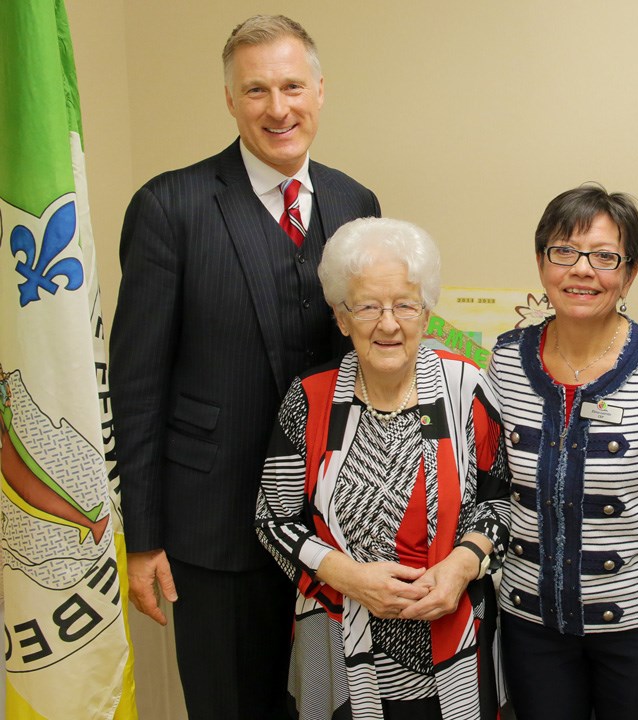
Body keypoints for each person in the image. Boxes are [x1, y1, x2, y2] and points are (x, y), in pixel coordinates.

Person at [109, 15, 380, 718]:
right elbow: (136, 387)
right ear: (230, 101)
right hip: (213, 531)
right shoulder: (170, 208)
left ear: (320, 90)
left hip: (335, 529)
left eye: (292, 85)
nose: (278, 107)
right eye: (255, 90)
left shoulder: (357, 206)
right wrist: (143, 542)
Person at [255, 218, 509, 719]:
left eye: (404, 305)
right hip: (337, 640)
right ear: (341, 317)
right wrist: (348, 576)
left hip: (456, 635)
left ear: (426, 312)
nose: (388, 323)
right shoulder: (310, 398)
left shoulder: (468, 388)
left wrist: (460, 567)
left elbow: (500, 502)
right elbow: (273, 521)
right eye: (368, 306)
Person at [484, 184, 638, 720]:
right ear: (542, 263)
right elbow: (488, 489)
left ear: (628, 274)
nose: (582, 270)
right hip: (529, 623)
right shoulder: (507, 359)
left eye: (605, 257)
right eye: (564, 251)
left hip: (633, 630)